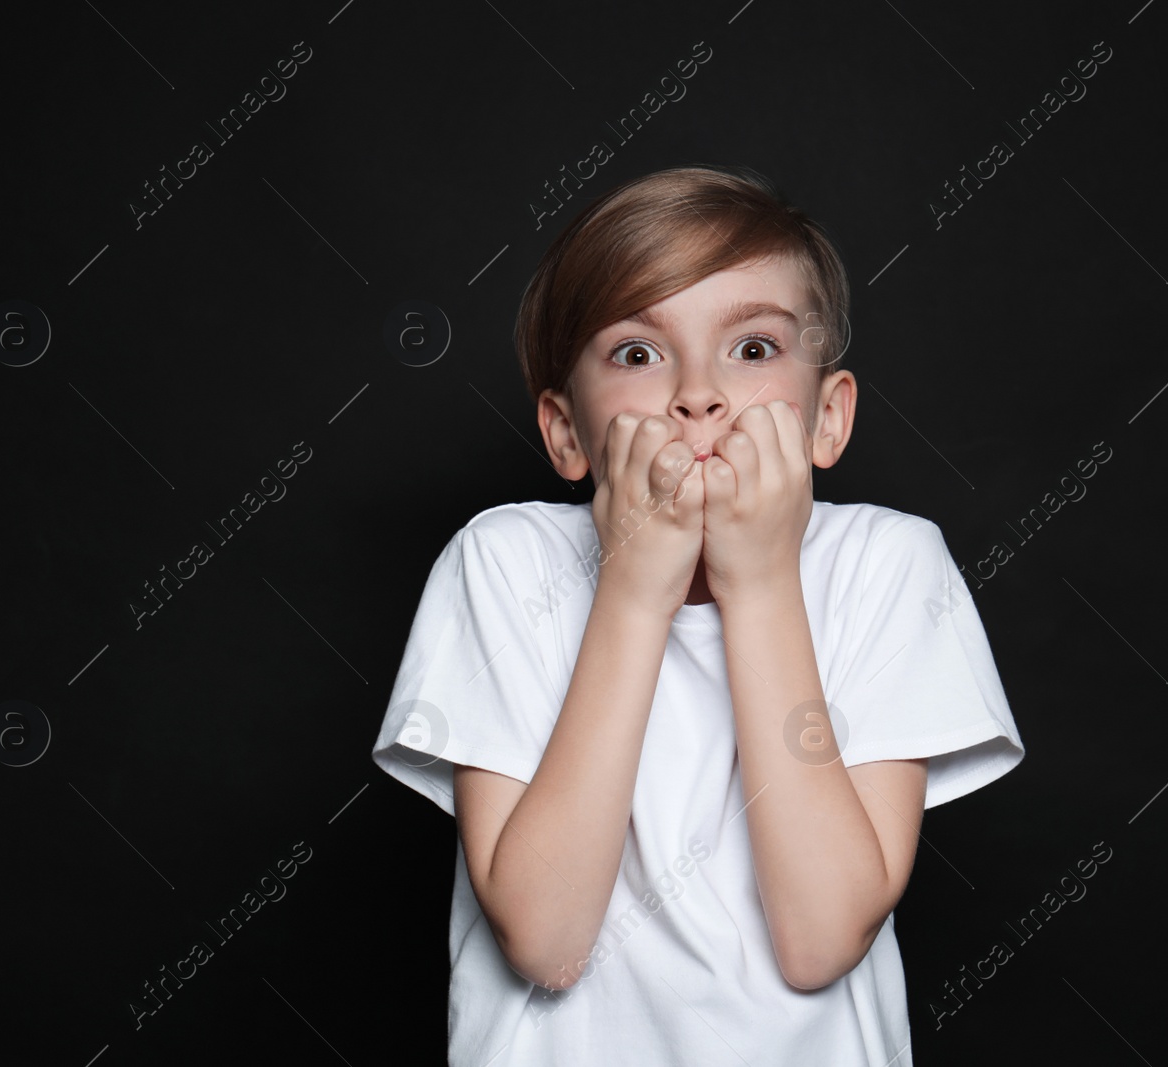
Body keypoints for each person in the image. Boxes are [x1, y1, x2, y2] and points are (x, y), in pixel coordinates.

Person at [370, 163, 1024, 1066]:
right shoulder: (504, 562)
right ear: (566, 432)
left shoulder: (889, 565)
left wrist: (758, 583)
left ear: (828, 419)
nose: (698, 393)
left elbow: (822, 936)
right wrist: (635, 588)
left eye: (753, 348)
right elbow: (548, 942)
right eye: (638, 353)